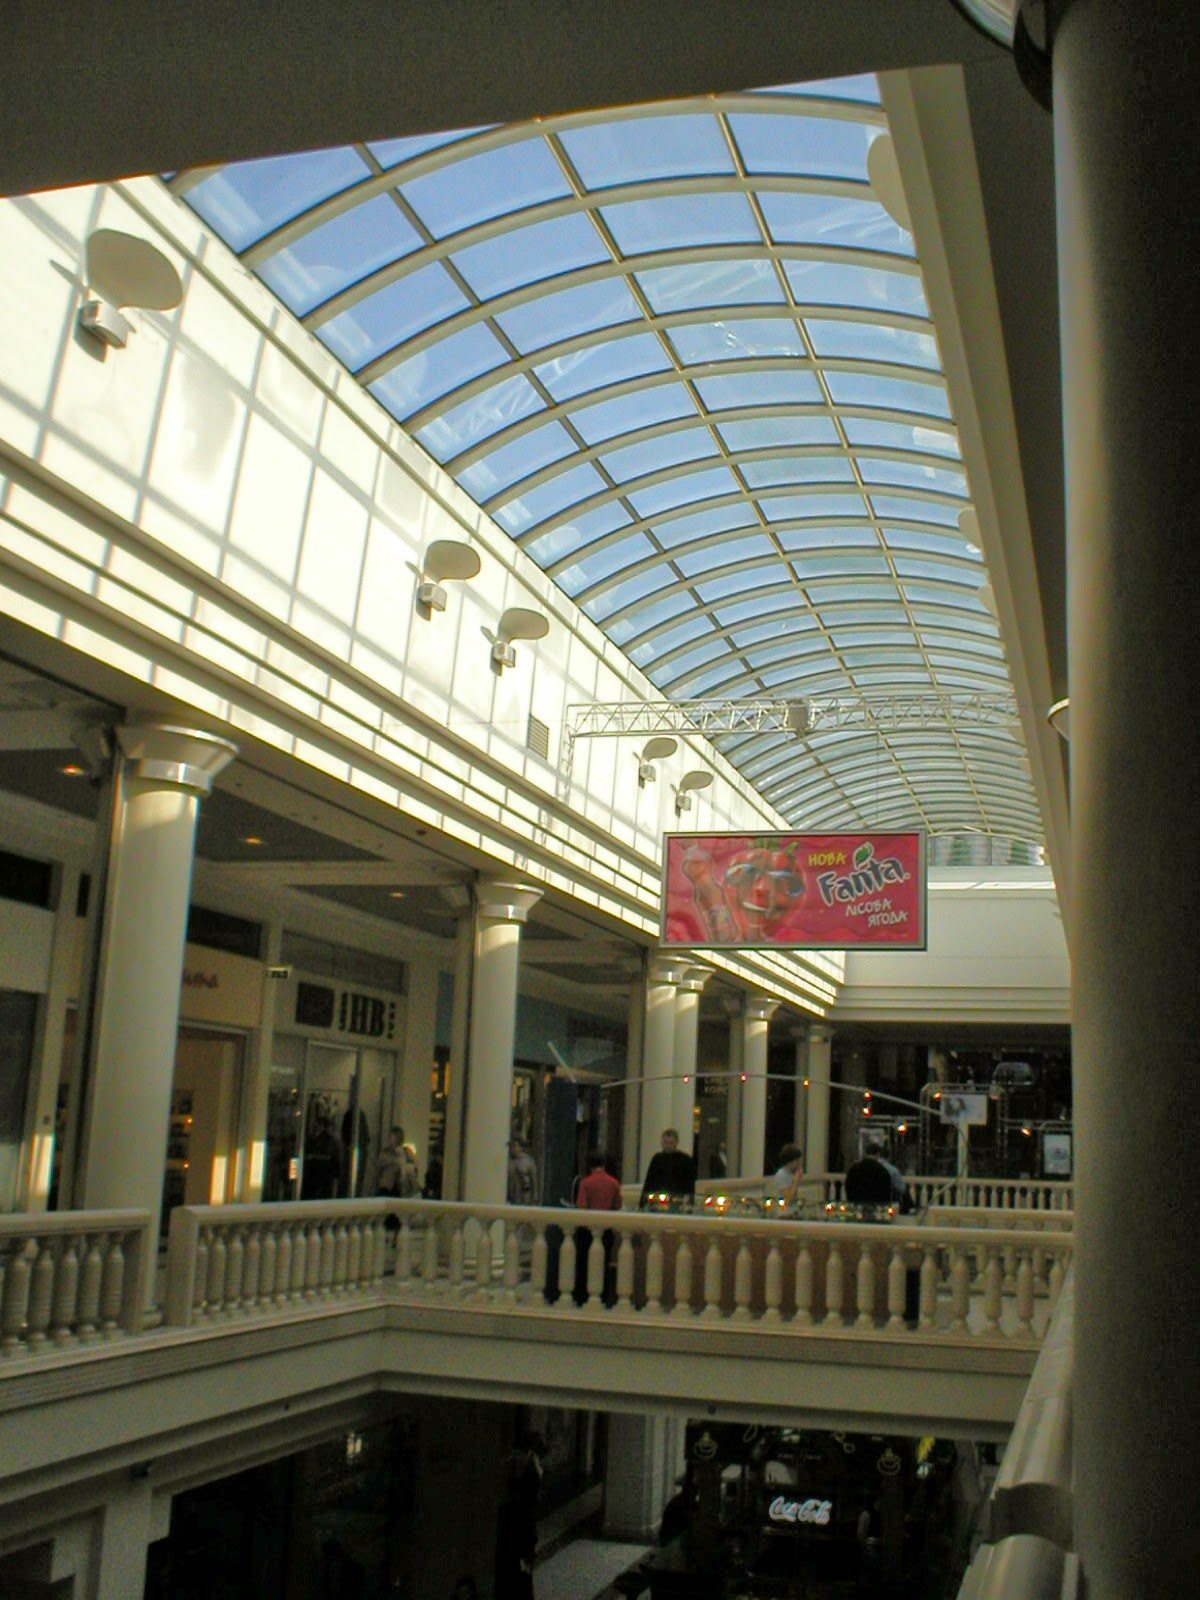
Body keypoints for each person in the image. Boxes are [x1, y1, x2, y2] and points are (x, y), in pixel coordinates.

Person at [494, 1431, 544, 1600]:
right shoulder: (530, 1465)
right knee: (520, 1575)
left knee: (518, 1575)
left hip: (517, 1529)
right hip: (519, 1529)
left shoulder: (522, 1465)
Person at [573, 1149, 621, 1304]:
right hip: (606, 1229)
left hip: (588, 1230)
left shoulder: (585, 1183)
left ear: (589, 1166)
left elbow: (582, 1206)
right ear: (604, 1164)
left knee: (584, 1264)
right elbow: (617, 1206)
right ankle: (603, 1296)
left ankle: (583, 1297)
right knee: (603, 1263)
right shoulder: (613, 1183)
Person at [638, 1128, 697, 1209]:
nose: (668, 1146)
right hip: (656, 1200)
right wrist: (642, 1203)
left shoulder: (685, 1160)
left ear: (676, 1142)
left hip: (677, 1200)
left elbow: (690, 1183)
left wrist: (689, 1202)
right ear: (661, 1143)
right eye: (665, 1142)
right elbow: (649, 1181)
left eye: (671, 1143)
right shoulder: (657, 1159)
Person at [507, 1137, 538, 1205]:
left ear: (520, 1147)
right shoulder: (509, 1161)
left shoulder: (528, 1161)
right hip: (513, 1193)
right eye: (511, 1146)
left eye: (514, 1146)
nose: (512, 1149)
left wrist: (535, 1195)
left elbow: (533, 1178)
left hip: (525, 1192)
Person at [376, 1125, 404, 1197]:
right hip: (385, 1185)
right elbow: (379, 1167)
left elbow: (402, 1167)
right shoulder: (385, 1152)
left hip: (396, 1186)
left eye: (392, 1137)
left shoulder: (402, 1153)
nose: (390, 1139)